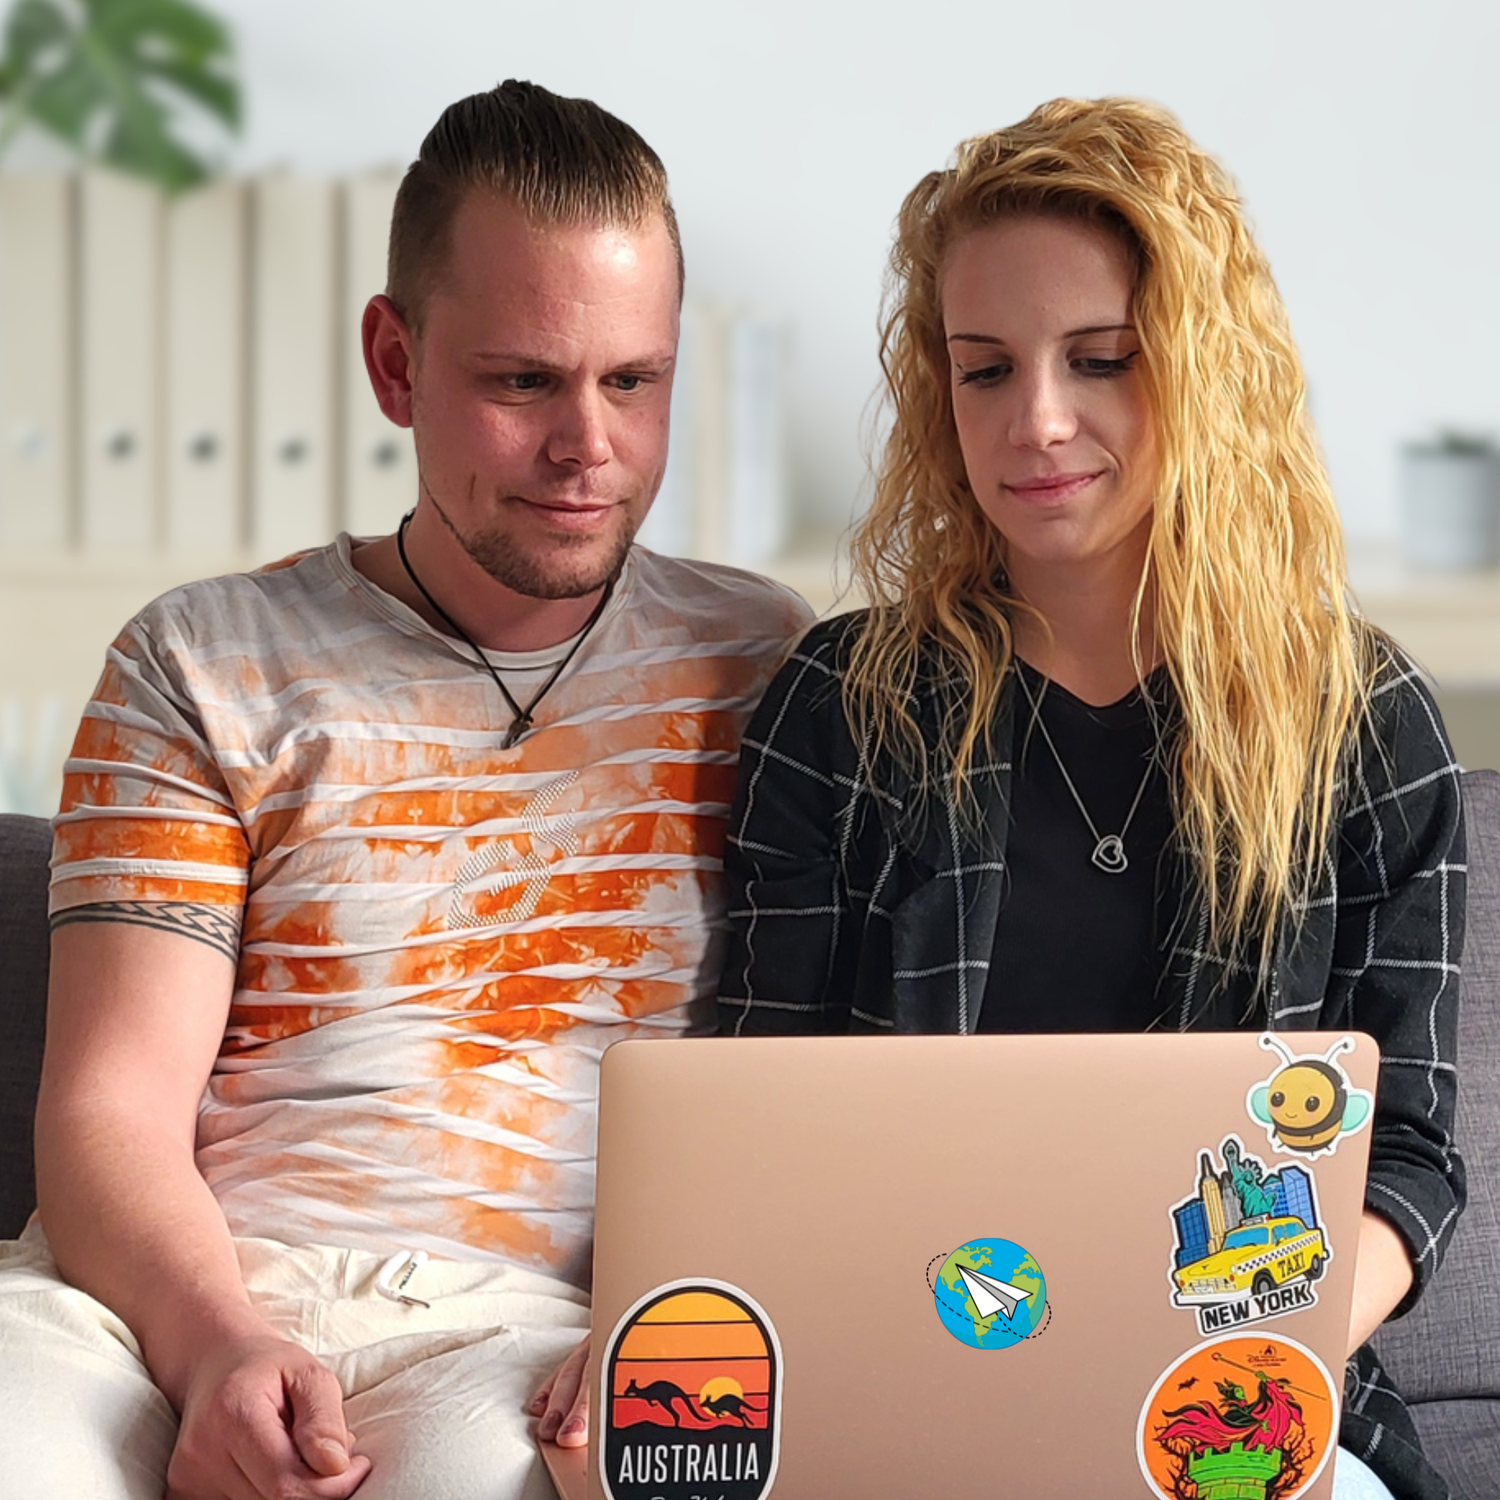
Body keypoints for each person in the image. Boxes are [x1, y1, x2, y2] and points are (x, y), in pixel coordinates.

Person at [0, 81, 810, 1500]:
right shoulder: (199, 660)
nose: (588, 446)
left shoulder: (767, 665)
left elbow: (815, 1082)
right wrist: (217, 1344)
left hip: (527, 1334)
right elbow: (109, 1109)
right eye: (523, 383)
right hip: (160, 1295)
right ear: (395, 362)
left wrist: (681, 1300)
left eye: (634, 381)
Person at [718, 98, 1463, 1500]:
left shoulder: (1363, 723)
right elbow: (754, 1110)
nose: (1036, 422)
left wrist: (1259, 1351)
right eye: (985, 370)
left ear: (1202, 369)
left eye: (1101, 360)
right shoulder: (843, 705)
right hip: (900, 1381)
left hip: (1237, 1401)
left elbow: (1408, 1158)